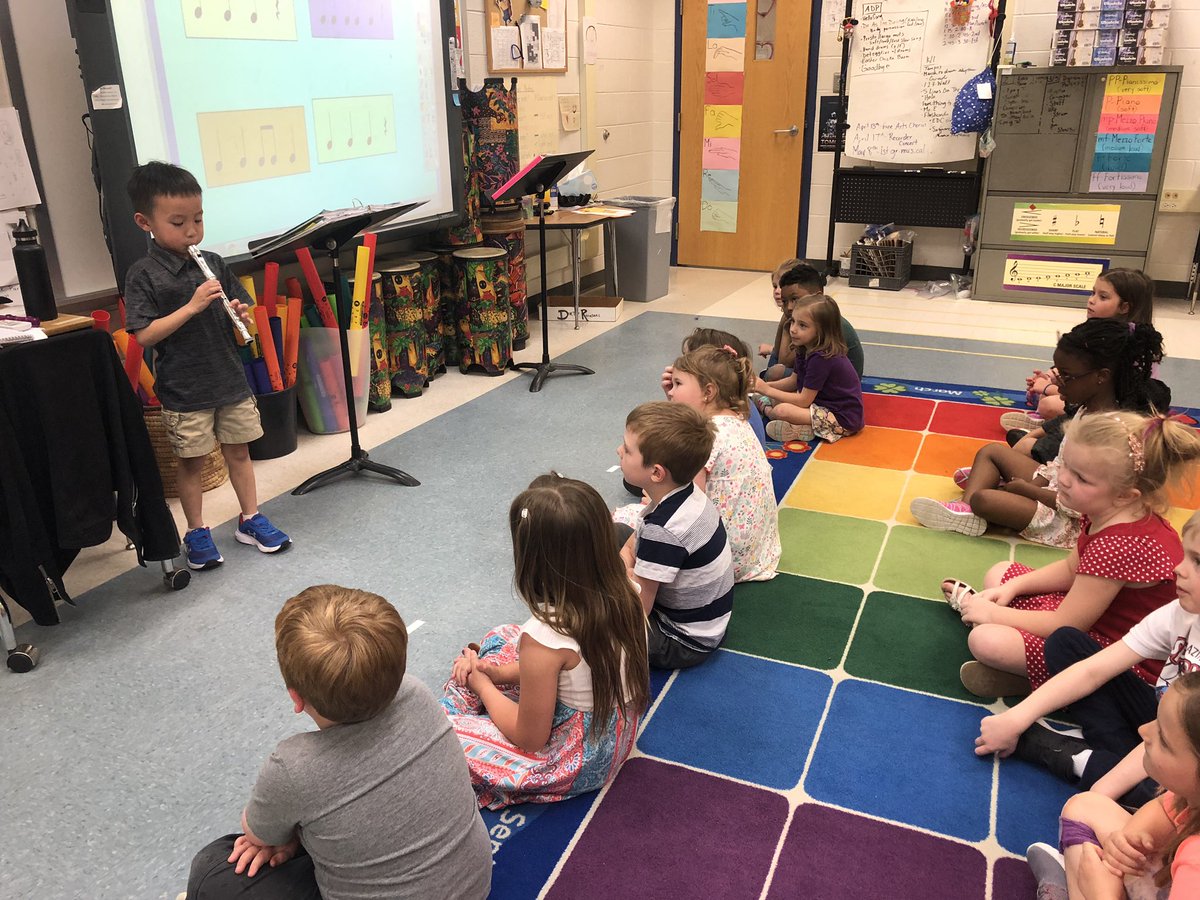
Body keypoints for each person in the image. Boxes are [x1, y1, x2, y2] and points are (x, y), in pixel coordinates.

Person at [184, 585, 491, 900]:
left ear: (295, 697)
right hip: (474, 885)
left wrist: (288, 835)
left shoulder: (292, 766)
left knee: (213, 867)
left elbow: (257, 834)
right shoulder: (417, 693)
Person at [939, 412, 1198, 699]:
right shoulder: (1111, 512)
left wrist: (995, 614)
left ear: (1126, 495)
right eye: (1065, 466)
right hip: (1095, 620)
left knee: (986, 640)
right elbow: (1070, 569)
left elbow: (1066, 624)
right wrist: (1012, 588)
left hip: (1123, 657)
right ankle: (1029, 671)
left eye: (1081, 478)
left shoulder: (1120, 544)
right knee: (1000, 573)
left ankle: (1055, 688)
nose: (1062, 479)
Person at [442, 474, 650, 808]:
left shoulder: (546, 637)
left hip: (573, 761)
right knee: (503, 637)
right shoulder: (629, 591)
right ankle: (473, 685)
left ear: (531, 560)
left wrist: (483, 686)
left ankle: (463, 697)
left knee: (440, 735)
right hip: (617, 736)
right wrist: (497, 674)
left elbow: (530, 738)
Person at [974, 510, 1200, 810]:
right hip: (1162, 724)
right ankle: (1106, 756)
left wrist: (1098, 797)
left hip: (1186, 750)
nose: (1178, 569)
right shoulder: (1182, 612)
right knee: (1066, 643)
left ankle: (1077, 758)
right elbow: (1095, 669)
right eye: (1184, 555)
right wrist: (1015, 719)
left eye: (1197, 562)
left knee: (1173, 800)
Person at [124, 162, 289, 569]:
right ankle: (196, 530)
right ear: (145, 222)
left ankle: (250, 518)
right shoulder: (143, 274)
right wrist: (194, 305)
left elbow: (239, 305)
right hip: (185, 389)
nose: (192, 231)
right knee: (192, 463)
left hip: (229, 379)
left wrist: (241, 314)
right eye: (178, 222)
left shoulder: (212, 260)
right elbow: (143, 334)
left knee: (239, 453)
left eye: (198, 219)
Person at [910, 319, 1166, 546]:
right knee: (992, 452)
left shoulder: (1107, 434)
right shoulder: (1086, 410)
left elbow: (1082, 507)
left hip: (1070, 521)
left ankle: (976, 503)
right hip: (1057, 490)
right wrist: (1031, 484)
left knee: (984, 499)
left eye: (1066, 376)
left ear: (1101, 377)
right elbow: (1059, 463)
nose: (1056, 383)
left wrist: (1029, 491)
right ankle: (966, 510)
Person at [1025, 672, 1200, 900]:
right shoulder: (1189, 796)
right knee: (1084, 807)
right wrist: (1128, 841)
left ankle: (1069, 889)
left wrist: (1103, 894)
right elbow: (1164, 810)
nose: (1143, 731)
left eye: (1164, 740)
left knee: (1094, 875)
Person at [617, 402, 735, 669]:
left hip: (682, 640)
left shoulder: (664, 530)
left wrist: (618, 570)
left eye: (627, 449)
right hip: (706, 618)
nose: (618, 451)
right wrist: (626, 558)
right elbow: (636, 538)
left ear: (656, 473)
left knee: (595, 624)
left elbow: (638, 612)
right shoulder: (686, 492)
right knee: (612, 533)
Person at [657, 346, 780, 582]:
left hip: (719, 559)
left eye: (678, 384)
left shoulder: (705, 435)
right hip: (756, 555)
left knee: (629, 521)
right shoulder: (737, 420)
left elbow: (689, 505)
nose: (671, 392)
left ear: (708, 392)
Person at [1009, 269, 1156, 439]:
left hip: (1110, 409)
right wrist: (1050, 378)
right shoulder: (1095, 332)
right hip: (1088, 396)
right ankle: (1049, 421)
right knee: (1048, 388)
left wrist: (1048, 387)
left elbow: (1097, 393)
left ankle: (1052, 426)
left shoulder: (1124, 342)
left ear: (1124, 307)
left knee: (1049, 404)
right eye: (1093, 293)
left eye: (1103, 297)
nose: (1092, 300)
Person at [753, 288, 864, 444]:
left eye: (803, 325)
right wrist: (765, 386)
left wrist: (767, 390)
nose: (793, 329)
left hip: (842, 418)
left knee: (782, 409)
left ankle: (788, 422)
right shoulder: (805, 348)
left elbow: (804, 400)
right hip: (819, 405)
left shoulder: (822, 357)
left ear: (821, 331)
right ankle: (799, 424)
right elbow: (793, 381)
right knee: (772, 397)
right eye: (793, 321)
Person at [758, 260, 864, 380]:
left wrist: (788, 328)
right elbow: (777, 354)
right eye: (785, 301)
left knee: (775, 373)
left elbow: (785, 362)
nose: (789, 307)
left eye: (795, 299)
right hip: (819, 374)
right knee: (773, 371)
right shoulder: (798, 316)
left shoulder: (821, 323)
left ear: (818, 295)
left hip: (836, 386)